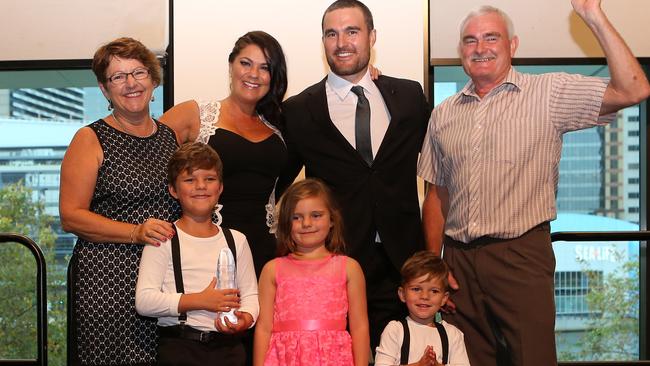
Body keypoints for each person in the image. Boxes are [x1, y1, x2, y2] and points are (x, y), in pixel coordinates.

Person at [417, 1, 650, 365]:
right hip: (458, 262)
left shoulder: (548, 93)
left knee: (533, 358)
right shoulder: (443, 113)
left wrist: (593, 17)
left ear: (513, 45)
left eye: (491, 38)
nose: (480, 48)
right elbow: (437, 195)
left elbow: (633, 90)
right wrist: (434, 268)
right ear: (460, 50)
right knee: (465, 360)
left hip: (521, 256)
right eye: (470, 40)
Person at [277, 0, 430, 351]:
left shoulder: (407, 96)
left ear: (372, 36)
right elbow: (276, 187)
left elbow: (442, 165)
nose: (341, 42)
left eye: (352, 31)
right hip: (335, 267)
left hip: (402, 267)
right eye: (332, 33)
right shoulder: (299, 110)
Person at [60, 37, 181, 365]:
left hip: (162, 281)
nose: (131, 84)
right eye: (118, 77)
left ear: (153, 81)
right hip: (109, 283)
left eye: (138, 73)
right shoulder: (90, 138)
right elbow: (71, 216)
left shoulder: (168, 136)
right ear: (104, 90)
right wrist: (135, 232)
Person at [160, 31, 288, 278]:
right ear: (231, 65)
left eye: (265, 67)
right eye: (245, 63)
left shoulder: (278, 125)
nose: (253, 74)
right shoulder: (194, 114)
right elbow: (146, 157)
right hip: (206, 251)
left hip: (263, 251)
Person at [135, 142, 258, 365]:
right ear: (173, 190)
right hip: (180, 349)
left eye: (209, 179)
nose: (201, 186)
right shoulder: (163, 239)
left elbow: (250, 297)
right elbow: (144, 301)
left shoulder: (237, 240)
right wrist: (199, 301)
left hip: (230, 350)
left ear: (220, 187)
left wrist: (246, 318)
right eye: (190, 180)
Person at [254, 178, 369, 366]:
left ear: (332, 219)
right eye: (296, 217)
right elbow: (264, 328)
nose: (306, 223)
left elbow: (359, 327)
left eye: (316, 215)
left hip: (335, 359)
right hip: (284, 360)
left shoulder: (349, 268)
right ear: (285, 223)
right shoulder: (272, 269)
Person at [374, 251, 470, 366]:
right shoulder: (395, 331)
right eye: (416, 289)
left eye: (434, 291)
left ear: (444, 299)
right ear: (402, 294)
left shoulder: (453, 335)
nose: (424, 296)